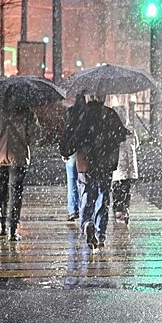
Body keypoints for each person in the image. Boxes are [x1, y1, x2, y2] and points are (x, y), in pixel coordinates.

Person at [60, 94, 129, 249]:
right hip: (106, 163)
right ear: (103, 98)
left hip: (85, 163)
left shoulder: (82, 115)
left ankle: (86, 223)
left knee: (87, 195)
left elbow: (72, 136)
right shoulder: (110, 114)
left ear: (89, 97)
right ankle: (101, 233)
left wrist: (65, 150)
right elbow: (121, 135)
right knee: (103, 197)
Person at [0, 105, 41, 241]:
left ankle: (1, 224)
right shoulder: (26, 112)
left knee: (1, 191)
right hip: (18, 158)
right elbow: (35, 134)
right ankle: (13, 228)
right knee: (15, 192)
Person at [59, 92, 87, 221]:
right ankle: (83, 208)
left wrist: (64, 150)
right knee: (83, 180)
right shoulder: (88, 113)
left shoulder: (70, 112)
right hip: (84, 149)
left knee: (71, 180)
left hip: (71, 149)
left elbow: (65, 132)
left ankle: (72, 210)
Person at [111, 105, 139, 225]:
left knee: (117, 189)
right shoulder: (131, 129)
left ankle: (118, 210)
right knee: (126, 189)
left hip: (118, 166)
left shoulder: (113, 129)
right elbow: (136, 144)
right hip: (129, 167)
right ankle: (125, 209)